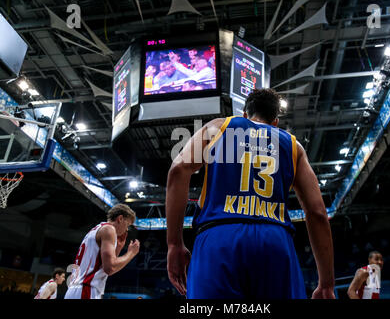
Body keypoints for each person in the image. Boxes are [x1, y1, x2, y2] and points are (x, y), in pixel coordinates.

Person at [166, 88, 335, 299]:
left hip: (219, 237)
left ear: (244, 114)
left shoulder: (219, 126)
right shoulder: (293, 146)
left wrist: (174, 243)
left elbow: (178, 170)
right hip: (275, 241)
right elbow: (317, 212)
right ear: (275, 121)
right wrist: (326, 283)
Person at [64, 203, 140, 299]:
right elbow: (110, 268)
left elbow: (105, 266)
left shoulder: (96, 229)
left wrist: (119, 247)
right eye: (127, 225)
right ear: (120, 219)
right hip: (86, 289)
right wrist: (131, 253)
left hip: (77, 289)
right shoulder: (109, 229)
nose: (127, 230)